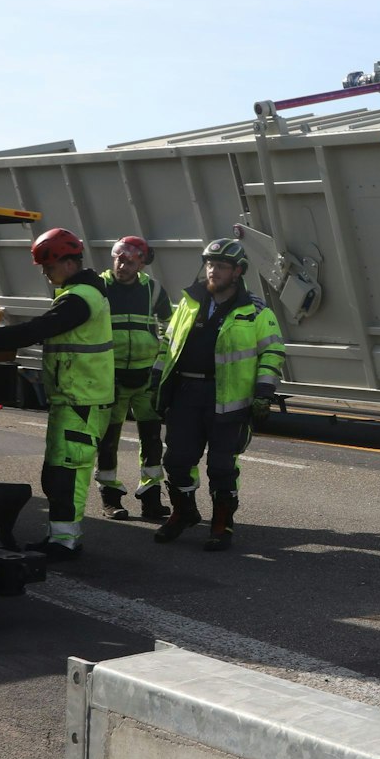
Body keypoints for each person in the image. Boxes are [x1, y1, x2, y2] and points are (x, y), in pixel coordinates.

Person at [0, 227, 113, 561]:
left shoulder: (80, 299)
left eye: (49, 266)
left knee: (66, 473)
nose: (45, 273)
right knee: (58, 472)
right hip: (74, 399)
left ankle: (65, 542)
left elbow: (35, 331)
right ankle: (60, 538)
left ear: (69, 263)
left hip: (80, 401)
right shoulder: (79, 295)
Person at [152, 236, 285, 552]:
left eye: (221, 266)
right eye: (210, 264)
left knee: (222, 466)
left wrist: (264, 393)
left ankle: (222, 523)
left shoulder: (255, 311)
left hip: (229, 400)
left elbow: (273, 352)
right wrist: (155, 382)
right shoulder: (188, 303)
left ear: (238, 271)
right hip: (186, 394)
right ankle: (183, 512)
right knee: (176, 459)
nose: (213, 271)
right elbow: (167, 346)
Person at [95, 236, 173, 520]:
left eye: (128, 260)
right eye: (117, 257)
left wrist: (159, 364)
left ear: (142, 263)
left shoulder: (153, 290)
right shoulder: (98, 287)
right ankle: (110, 498)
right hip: (110, 378)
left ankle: (151, 498)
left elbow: (170, 328)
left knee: (152, 440)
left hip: (145, 380)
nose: (121, 264)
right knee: (108, 440)